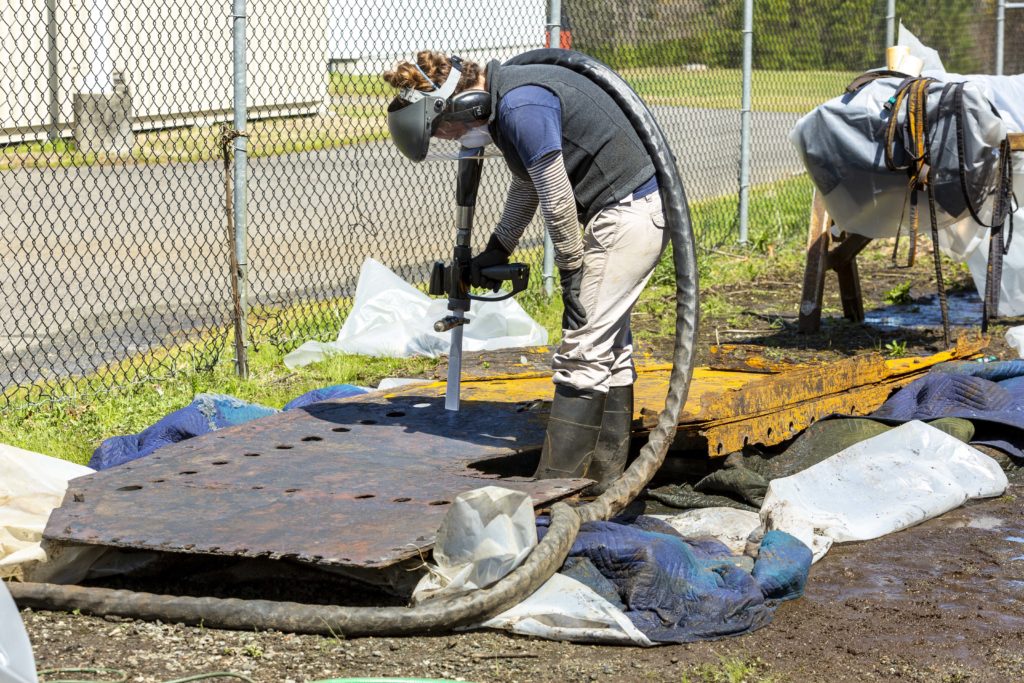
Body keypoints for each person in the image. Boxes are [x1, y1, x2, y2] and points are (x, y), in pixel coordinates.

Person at [383, 51, 667, 493]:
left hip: (628, 215)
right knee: (608, 348)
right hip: (627, 210)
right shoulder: (508, 100)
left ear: (458, 108)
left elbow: (554, 193)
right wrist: (499, 247)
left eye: (439, 129)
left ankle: (556, 494)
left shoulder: (520, 106)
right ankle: (603, 482)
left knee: (582, 350)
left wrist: (572, 273)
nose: (444, 138)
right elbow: (528, 180)